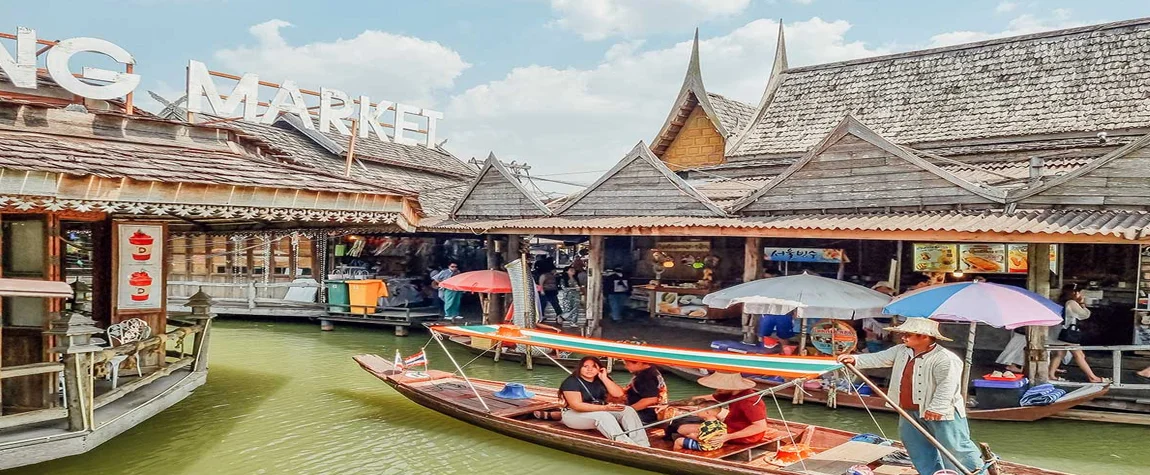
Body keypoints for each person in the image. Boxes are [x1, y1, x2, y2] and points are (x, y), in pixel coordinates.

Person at [837, 318, 984, 475]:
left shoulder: (945, 358)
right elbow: (879, 358)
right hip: (909, 409)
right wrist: (855, 359)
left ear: (924, 337)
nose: (903, 337)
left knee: (954, 446)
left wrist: (937, 408)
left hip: (941, 413)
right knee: (916, 446)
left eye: (908, 334)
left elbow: (947, 386)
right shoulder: (901, 350)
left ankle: (976, 473)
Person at [554, 356, 650, 446]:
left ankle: (642, 444)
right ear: (580, 368)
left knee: (627, 410)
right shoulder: (571, 382)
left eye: (593, 367)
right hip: (574, 415)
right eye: (585, 366)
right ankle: (625, 443)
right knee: (603, 416)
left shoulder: (600, 379)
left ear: (599, 369)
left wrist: (604, 378)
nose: (589, 369)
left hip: (598, 410)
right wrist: (604, 408)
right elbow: (577, 406)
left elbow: (619, 394)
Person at [671, 372, 769, 446]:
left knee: (682, 429)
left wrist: (727, 437)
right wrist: (671, 404)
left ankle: (701, 442)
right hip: (730, 424)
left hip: (744, 435)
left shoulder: (749, 401)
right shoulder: (731, 393)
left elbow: (760, 426)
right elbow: (706, 399)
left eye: (721, 386)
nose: (717, 389)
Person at [1048, 283, 1104, 383]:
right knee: (1079, 354)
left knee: (1060, 353)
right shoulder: (1071, 303)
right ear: (1074, 293)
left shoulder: (1059, 301)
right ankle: (1092, 377)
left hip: (1056, 332)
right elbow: (1084, 315)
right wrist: (1082, 303)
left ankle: (1051, 375)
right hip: (1067, 334)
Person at [622, 360, 667, 425]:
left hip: (645, 416)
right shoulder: (653, 371)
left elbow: (650, 400)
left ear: (639, 363)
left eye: (627, 364)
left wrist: (627, 410)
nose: (625, 367)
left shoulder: (646, 377)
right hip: (655, 412)